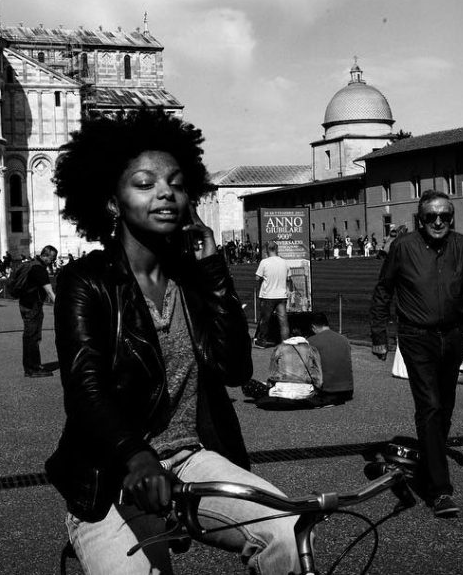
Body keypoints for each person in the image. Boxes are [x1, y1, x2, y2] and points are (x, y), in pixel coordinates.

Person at [46, 110, 299, 575]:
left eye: (176, 183)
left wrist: (213, 270)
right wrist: (136, 456)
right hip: (113, 471)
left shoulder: (194, 279)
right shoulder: (85, 281)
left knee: (287, 527)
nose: (165, 192)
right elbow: (85, 388)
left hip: (191, 460)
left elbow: (235, 370)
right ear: (111, 202)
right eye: (144, 183)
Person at [369, 189, 463, 518]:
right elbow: (383, 290)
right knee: (429, 406)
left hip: (454, 335)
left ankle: (430, 462)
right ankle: (440, 490)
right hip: (417, 336)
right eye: (432, 216)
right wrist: (379, 335)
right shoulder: (403, 247)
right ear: (420, 219)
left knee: (445, 406)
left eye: (445, 216)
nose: (439, 222)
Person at [18, 245, 58, 378]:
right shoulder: (39, 269)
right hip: (32, 306)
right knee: (33, 337)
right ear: (45, 256)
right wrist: (60, 307)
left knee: (29, 336)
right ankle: (32, 368)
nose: (53, 261)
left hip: (24, 304)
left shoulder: (32, 264)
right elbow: (50, 291)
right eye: (52, 258)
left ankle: (31, 366)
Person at [308, 312, 354, 405]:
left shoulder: (311, 341)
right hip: (348, 390)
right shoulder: (344, 339)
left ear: (313, 327)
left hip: (327, 391)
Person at [253, 241, 290, 348]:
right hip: (281, 294)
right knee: (283, 321)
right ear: (276, 249)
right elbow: (288, 278)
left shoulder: (264, 262)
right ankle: (286, 342)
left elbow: (257, 277)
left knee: (265, 320)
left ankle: (262, 341)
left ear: (267, 250)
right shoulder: (284, 262)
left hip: (268, 295)